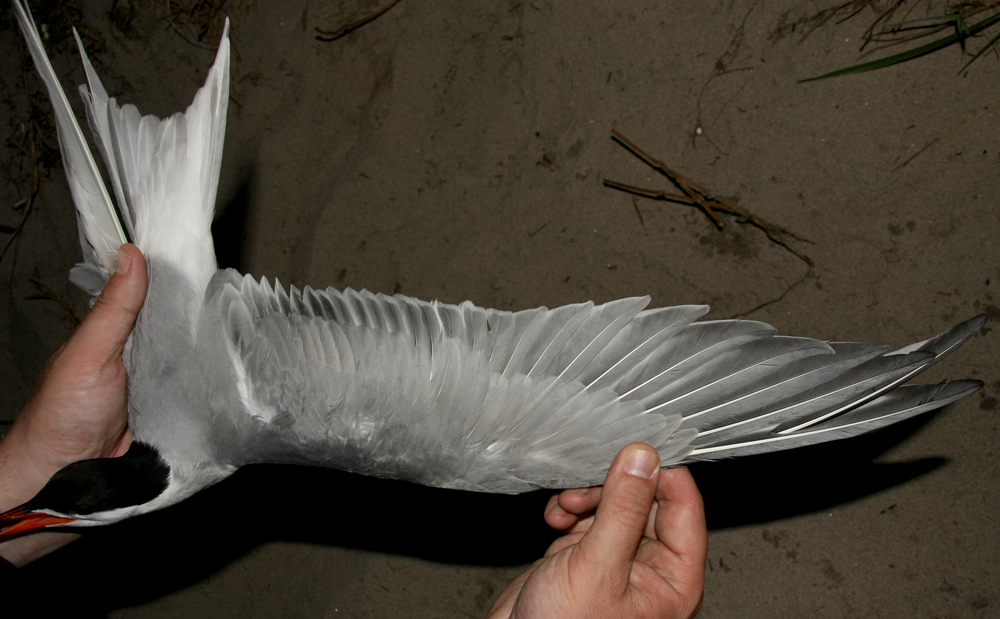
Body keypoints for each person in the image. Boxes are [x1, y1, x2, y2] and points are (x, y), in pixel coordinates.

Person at [0, 245, 708, 618]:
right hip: (156, 311)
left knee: (478, 454)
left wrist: (34, 461)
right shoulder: (147, 448)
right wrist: (30, 461)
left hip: (162, 318)